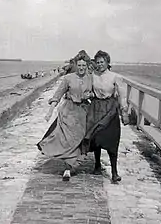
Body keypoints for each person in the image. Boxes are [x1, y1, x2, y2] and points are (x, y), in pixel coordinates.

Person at [37, 52, 93, 181]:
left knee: (77, 140)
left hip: (83, 112)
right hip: (68, 111)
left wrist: (90, 96)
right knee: (67, 140)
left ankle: (72, 164)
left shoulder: (91, 78)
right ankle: (68, 168)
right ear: (75, 65)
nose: (81, 68)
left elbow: (96, 93)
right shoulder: (68, 78)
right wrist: (50, 111)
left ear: (87, 65)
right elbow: (58, 94)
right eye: (79, 65)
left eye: (84, 65)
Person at [85, 50, 129, 183]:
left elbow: (122, 95)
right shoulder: (92, 76)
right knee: (96, 137)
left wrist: (124, 112)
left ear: (107, 62)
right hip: (96, 107)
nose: (99, 65)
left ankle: (114, 172)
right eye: (97, 62)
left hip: (110, 109)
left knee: (112, 139)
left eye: (102, 62)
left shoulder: (116, 77)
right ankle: (97, 165)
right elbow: (89, 91)